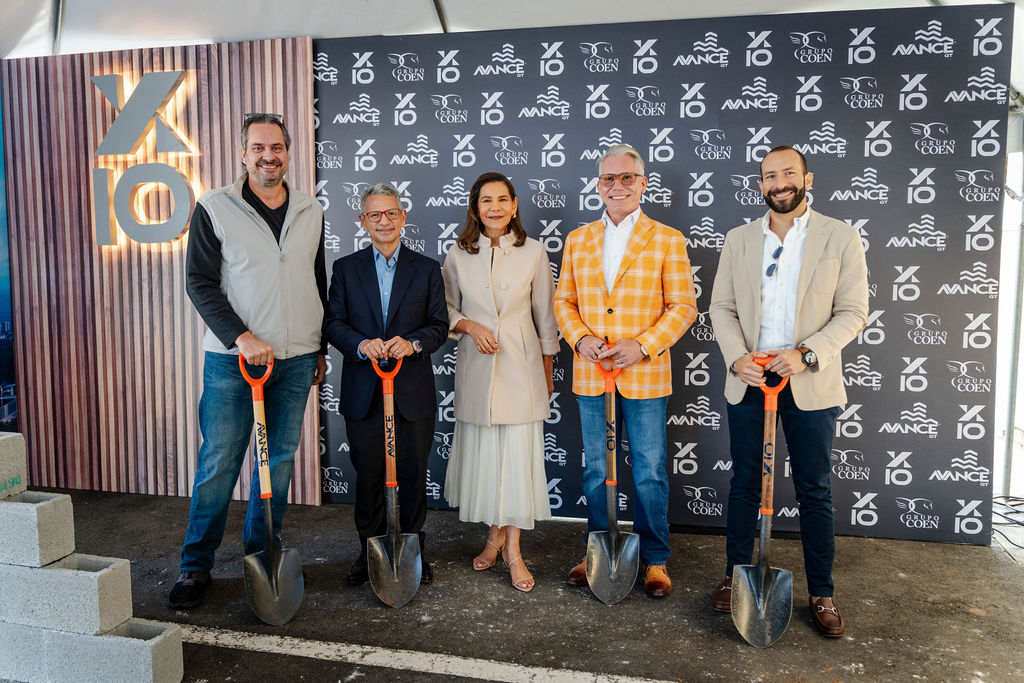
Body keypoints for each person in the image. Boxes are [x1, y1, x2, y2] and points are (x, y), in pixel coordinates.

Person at [708, 145, 868, 637]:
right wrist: (737, 357)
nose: (780, 183)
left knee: (814, 488)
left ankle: (822, 593)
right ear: (761, 185)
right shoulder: (738, 239)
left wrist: (806, 355)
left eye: (789, 173)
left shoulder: (840, 236)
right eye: (770, 176)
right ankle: (736, 577)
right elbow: (721, 307)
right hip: (750, 380)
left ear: (807, 178)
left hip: (809, 382)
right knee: (744, 483)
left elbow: (853, 312)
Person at [169, 113, 327, 609]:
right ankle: (195, 566)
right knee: (219, 462)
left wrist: (319, 346)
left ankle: (263, 555)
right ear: (243, 154)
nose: (268, 156)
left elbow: (315, 280)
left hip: (296, 359)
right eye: (258, 148)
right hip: (233, 361)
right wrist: (241, 337)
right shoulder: (215, 207)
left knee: (276, 464)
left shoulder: (310, 209)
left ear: (288, 152)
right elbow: (199, 282)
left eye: (276, 147)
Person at [553, 143, 697, 598]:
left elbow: (683, 306)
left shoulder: (668, 238)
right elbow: (564, 301)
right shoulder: (578, 239)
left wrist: (643, 346)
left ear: (643, 183)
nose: (618, 185)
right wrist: (582, 340)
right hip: (592, 372)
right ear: (598, 186)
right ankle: (597, 550)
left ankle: (655, 558)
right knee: (596, 469)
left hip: (645, 374)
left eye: (627, 177)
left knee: (650, 470)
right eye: (609, 178)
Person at [325, 183, 448, 587]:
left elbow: (439, 326)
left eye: (391, 213)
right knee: (369, 475)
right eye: (375, 214)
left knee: (412, 473)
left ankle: (412, 552)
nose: (384, 221)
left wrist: (412, 344)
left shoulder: (427, 269)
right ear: (363, 221)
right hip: (364, 392)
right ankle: (369, 552)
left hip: (411, 393)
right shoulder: (345, 268)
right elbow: (333, 324)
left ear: (403, 216)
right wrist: (361, 345)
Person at [441, 172, 558, 593]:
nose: (495, 207)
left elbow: (546, 317)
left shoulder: (534, 251)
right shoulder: (458, 253)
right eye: (486, 200)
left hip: (521, 370)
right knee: (490, 461)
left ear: (514, 205)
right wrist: (470, 326)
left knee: (516, 462)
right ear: (475, 207)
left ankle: (513, 549)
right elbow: (445, 309)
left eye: (502, 199)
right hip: (477, 368)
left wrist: (546, 374)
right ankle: (493, 538)